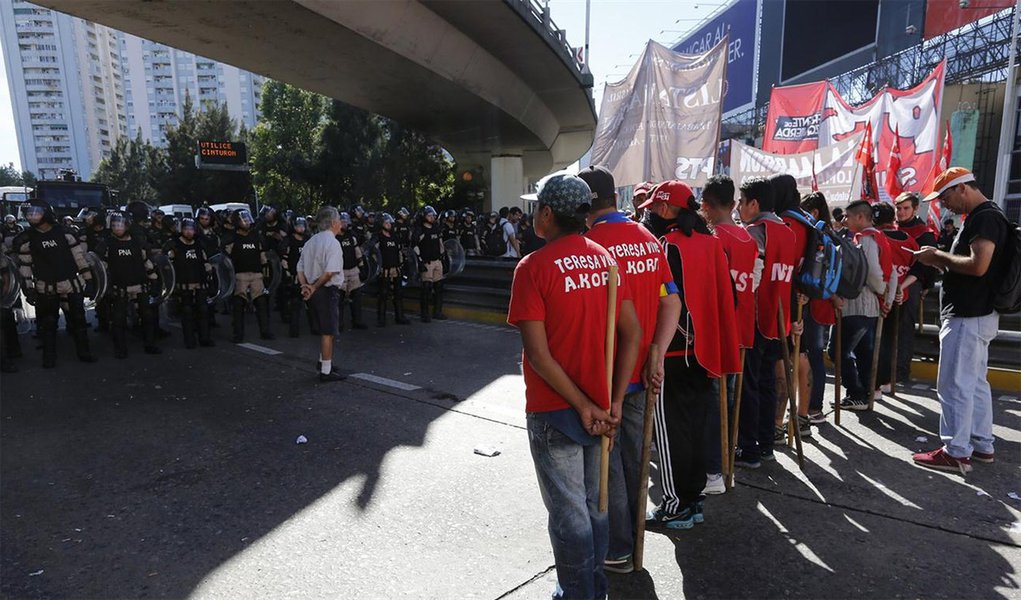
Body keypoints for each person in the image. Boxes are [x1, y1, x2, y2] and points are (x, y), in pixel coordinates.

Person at [507, 173, 641, 600]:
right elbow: (633, 334)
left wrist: (583, 406)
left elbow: (538, 355)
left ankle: (578, 593)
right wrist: (613, 402)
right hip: (600, 408)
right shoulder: (607, 261)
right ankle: (594, 588)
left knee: (570, 516)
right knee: (594, 507)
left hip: (555, 411)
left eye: (536, 208)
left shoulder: (533, 267)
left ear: (547, 214)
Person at [579, 165, 680, 572]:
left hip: (607, 373)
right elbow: (671, 300)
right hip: (642, 370)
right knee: (637, 459)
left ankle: (618, 547)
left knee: (610, 462)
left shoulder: (589, 244)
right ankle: (633, 541)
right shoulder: (648, 238)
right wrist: (658, 352)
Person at [641, 179, 741, 529]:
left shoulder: (665, 246)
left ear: (664, 208)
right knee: (697, 427)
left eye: (654, 207)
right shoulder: (712, 244)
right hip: (704, 350)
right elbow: (730, 297)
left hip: (671, 351)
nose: (651, 213)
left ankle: (675, 505)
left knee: (670, 433)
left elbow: (661, 302)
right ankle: (693, 501)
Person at [913, 167, 1011, 474]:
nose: (944, 204)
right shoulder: (988, 215)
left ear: (962, 188)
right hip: (977, 313)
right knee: (974, 383)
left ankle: (956, 451)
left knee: (955, 384)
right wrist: (943, 259)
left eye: (945, 197)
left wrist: (936, 257)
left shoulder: (984, 218)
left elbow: (978, 265)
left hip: (969, 314)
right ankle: (981, 445)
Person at [734, 177, 798, 469]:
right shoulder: (787, 232)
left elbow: (753, 274)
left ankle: (749, 449)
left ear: (754, 204)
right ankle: (766, 444)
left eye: (741, 201)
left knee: (749, 384)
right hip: (778, 318)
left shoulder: (756, 232)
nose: (738, 207)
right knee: (767, 382)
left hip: (757, 316)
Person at [700, 175, 758, 489]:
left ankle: (713, 470)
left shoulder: (711, 239)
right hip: (741, 327)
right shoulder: (749, 239)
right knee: (730, 399)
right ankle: (725, 463)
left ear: (705, 206)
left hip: (715, 329)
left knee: (712, 401)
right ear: (734, 204)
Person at [12, 199, 97, 368]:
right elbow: (25, 266)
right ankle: (49, 357)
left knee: (78, 319)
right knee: (48, 323)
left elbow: (79, 258)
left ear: (46, 213)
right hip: (46, 286)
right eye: (29, 213)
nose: (31, 216)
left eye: (35, 212)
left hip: (71, 283)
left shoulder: (66, 233)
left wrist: (89, 280)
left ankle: (84, 352)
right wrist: (28, 289)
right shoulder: (26, 239)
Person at [836, 200, 896, 411]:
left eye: (848, 216)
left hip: (860, 305)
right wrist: (887, 300)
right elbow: (892, 273)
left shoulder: (867, 239)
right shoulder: (879, 237)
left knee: (838, 351)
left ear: (860, 217)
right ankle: (865, 393)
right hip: (870, 306)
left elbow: (873, 273)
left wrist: (881, 293)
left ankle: (857, 393)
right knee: (863, 352)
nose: (845, 220)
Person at [798, 192, 841, 425]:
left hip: (812, 301)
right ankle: (813, 408)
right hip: (825, 302)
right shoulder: (831, 234)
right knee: (815, 355)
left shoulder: (815, 234)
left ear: (813, 212)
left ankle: (812, 408)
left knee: (811, 355)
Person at [96, 211, 162, 357]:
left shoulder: (138, 243)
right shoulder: (106, 244)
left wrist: (154, 280)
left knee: (147, 316)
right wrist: (104, 288)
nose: (117, 228)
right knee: (118, 319)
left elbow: (147, 263)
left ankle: (150, 344)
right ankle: (120, 348)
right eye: (114, 225)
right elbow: (101, 268)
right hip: (119, 288)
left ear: (127, 225)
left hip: (140, 285)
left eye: (120, 225)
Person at [297, 206, 347, 382]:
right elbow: (329, 272)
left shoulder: (311, 241)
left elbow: (300, 268)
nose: (341, 223)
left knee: (325, 328)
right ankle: (326, 371)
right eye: (339, 220)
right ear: (333, 222)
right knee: (328, 331)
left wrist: (305, 286)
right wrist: (313, 287)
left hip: (313, 290)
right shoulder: (332, 243)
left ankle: (324, 361)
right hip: (325, 290)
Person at [895, 192, 939, 383]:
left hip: (911, 284)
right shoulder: (890, 228)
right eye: (898, 208)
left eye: (905, 208)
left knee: (905, 327)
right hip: (889, 282)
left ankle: (901, 370)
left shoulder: (924, 233)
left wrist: (925, 285)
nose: (901, 212)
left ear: (915, 209)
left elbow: (927, 263)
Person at [875, 202, 918, 394]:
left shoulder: (877, 238)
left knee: (879, 342)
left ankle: (877, 383)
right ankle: (889, 381)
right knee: (892, 341)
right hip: (902, 296)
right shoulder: (910, 240)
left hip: (881, 297)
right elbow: (917, 266)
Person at [223, 208, 275, 343]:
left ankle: (265, 331)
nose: (246, 222)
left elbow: (262, 254)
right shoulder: (231, 238)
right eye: (243, 220)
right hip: (240, 275)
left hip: (256, 274)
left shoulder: (255, 236)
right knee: (239, 304)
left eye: (247, 219)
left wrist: (266, 271)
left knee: (261, 303)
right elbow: (225, 258)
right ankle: (238, 334)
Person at [166, 218, 214, 349]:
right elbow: (167, 265)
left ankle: (204, 338)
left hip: (200, 282)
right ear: (181, 230)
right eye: (186, 229)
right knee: (187, 311)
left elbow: (205, 261)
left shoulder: (199, 244)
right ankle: (189, 340)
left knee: (203, 310)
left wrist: (209, 272)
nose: (188, 232)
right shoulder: (174, 245)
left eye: (191, 229)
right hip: (184, 283)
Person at [376, 213, 411, 327]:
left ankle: (400, 316)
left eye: (389, 223)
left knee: (398, 293)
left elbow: (400, 251)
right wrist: (378, 267)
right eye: (386, 223)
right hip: (384, 270)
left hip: (396, 268)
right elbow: (372, 253)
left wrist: (402, 264)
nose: (389, 225)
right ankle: (381, 319)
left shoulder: (395, 237)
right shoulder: (378, 237)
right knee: (383, 294)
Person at [414, 205, 447, 322]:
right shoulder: (420, 230)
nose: (432, 217)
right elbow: (415, 246)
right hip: (426, 262)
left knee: (439, 287)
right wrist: (419, 261)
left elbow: (440, 243)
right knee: (426, 288)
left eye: (433, 215)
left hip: (437, 261)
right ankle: (425, 314)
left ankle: (437, 312)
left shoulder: (436, 228)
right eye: (429, 215)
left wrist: (443, 257)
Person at [337, 212, 368, 330]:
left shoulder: (352, 236)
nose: (345, 224)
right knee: (339, 299)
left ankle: (357, 321)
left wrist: (362, 267)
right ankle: (338, 323)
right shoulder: (333, 237)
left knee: (357, 298)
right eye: (342, 222)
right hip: (340, 271)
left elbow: (357, 253)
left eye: (346, 222)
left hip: (353, 270)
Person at [280, 216, 309, 337]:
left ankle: (316, 326)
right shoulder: (289, 240)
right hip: (295, 275)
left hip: (309, 275)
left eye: (303, 226)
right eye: (298, 226)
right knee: (296, 303)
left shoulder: (308, 239)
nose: (301, 228)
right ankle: (294, 330)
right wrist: (287, 273)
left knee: (312, 302)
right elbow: (284, 258)